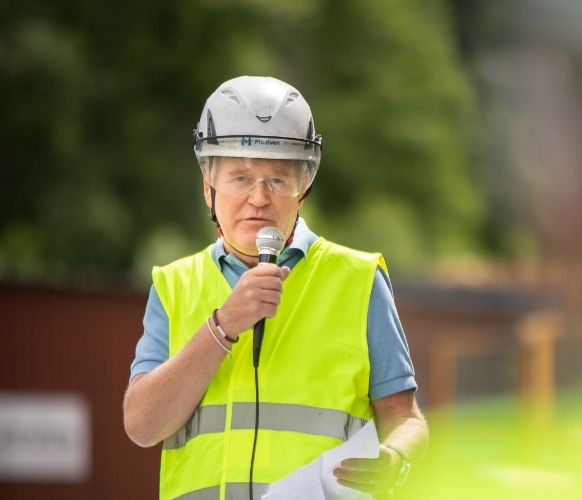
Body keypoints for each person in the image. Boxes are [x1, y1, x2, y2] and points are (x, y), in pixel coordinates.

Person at [123, 76, 428, 500]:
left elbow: (407, 419)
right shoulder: (173, 285)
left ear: (303, 187)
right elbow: (141, 426)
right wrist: (223, 325)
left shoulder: (359, 280)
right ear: (207, 186)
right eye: (241, 178)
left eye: (277, 180)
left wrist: (395, 460)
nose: (259, 198)